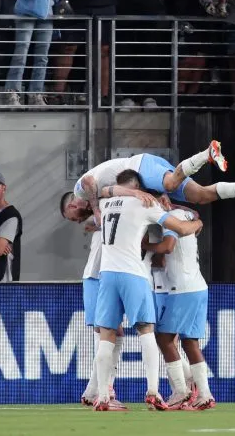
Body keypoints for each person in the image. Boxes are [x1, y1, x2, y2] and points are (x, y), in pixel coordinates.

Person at [90, 169, 203, 411]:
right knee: (146, 332)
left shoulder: (106, 202)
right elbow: (181, 229)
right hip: (133, 274)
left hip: (107, 275)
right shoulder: (145, 204)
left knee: (106, 335)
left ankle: (103, 397)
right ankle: (153, 391)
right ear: (138, 187)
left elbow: (102, 190)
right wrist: (197, 222)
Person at [65, 144, 235, 212]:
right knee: (200, 196)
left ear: (72, 205)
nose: (79, 218)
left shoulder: (80, 192)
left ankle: (207, 153)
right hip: (143, 177)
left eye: (74, 216)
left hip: (139, 167)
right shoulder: (100, 196)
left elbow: (88, 182)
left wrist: (96, 211)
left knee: (171, 183)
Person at [58, 193, 121, 408]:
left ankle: (95, 389)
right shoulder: (97, 215)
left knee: (114, 332)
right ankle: (104, 389)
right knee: (104, 331)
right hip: (96, 277)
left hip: (108, 276)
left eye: (73, 217)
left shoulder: (102, 209)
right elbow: (94, 221)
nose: (77, 222)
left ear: (73, 205)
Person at [152, 206, 216, 411]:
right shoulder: (187, 214)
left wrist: (146, 245)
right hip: (198, 285)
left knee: (164, 339)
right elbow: (195, 216)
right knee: (190, 342)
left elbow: (168, 247)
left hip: (182, 288)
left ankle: (180, 392)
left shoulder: (171, 218)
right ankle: (204, 395)